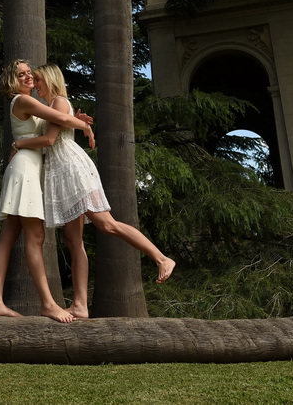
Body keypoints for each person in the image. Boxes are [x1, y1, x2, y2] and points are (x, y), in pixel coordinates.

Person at [13, 63, 175, 319]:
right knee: (73, 240)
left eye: (40, 80)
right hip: (61, 171)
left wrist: (18, 143)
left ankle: (161, 258)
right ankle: (80, 304)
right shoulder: (56, 105)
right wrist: (78, 121)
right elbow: (61, 126)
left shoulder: (58, 102)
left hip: (71, 170)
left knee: (107, 224)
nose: (36, 84)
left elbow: (49, 140)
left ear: (51, 80)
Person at [0, 59, 95, 323]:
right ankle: (47, 303)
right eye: (21, 75)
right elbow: (56, 118)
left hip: (27, 168)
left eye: (28, 74)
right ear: (12, 81)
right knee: (34, 238)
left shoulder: (29, 103)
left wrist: (72, 121)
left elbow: (53, 125)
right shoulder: (22, 101)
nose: (27, 78)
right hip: (26, 170)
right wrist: (86, 126)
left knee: (9, 235)